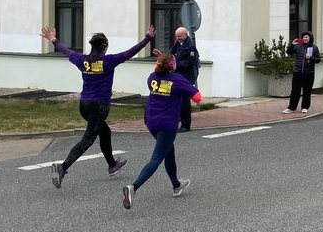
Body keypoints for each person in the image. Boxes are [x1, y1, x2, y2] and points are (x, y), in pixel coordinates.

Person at [41, 24, 155, 189]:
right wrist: (148, 38)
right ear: (104, 47)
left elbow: (67, 52)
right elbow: (130, 52)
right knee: (87, 140)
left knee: (105, 132)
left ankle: (112, 164)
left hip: (84, 105)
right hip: (99, 106)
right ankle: (63, 168)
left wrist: (53, 40)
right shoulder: (108, 61)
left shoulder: (83, 60)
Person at [122, 52, 202, 209]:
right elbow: (197, 97)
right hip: (167, 124)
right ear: (172, 66)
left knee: (169, 150)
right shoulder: (178, 80)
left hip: (151, 121)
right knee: (156, 158)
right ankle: (133, 187)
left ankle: (176, 185)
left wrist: (163, 61)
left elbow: (162, 73)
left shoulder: (152, 77)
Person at [168, 26, 199, 132]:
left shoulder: (190, 46)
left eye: (179, 36)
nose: (178, 38)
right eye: (176, 36)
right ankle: (178, 120)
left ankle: (186, 125)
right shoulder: (177, 44)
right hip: (177, 76)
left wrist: (176, 65)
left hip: (186, 77)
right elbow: (171, 54)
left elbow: (190, 62)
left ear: (185, 35)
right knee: (177, 100)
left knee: (185, 102)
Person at [282, 31, 321, 114]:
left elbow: (318, 59)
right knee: (295, 90)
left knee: (307, 91)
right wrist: (292, 44)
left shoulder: (314, 47)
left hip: (309, 72)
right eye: (304, 37)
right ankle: (291, 107)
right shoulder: (298, 46)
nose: (305, 39)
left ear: (310, 38)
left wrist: (310, 57)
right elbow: (289, 52)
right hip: (298, 72)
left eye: (307, 37)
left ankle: (305, 107)